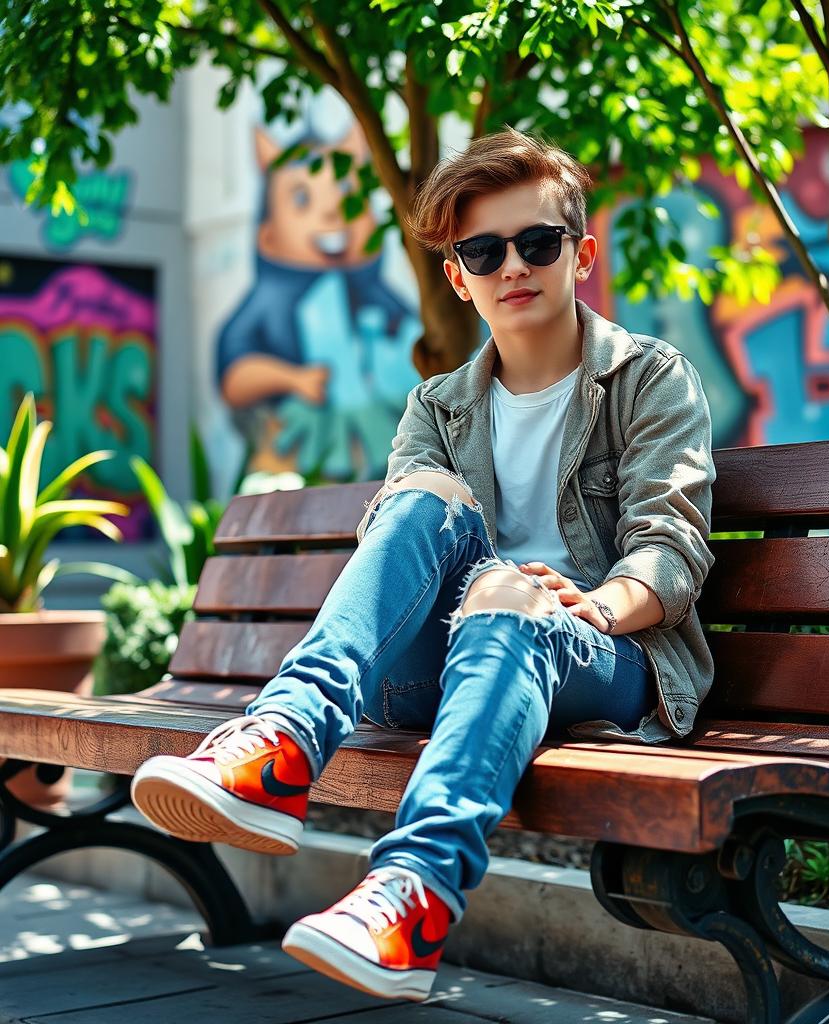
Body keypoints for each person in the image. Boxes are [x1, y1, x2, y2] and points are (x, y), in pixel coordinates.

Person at [130, 128, 716, 1003]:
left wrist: (588, 607)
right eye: (483, 251)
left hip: (605, 657)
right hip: (444, 665)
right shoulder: (436, 407)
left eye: (537, 242)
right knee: (422, 498)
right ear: (458, 277)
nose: (511, 265)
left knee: (505, 593)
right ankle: (286, 737)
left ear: (581, 254)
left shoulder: (647, 379)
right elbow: (404, 545)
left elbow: (670, 551)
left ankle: (414, 896)